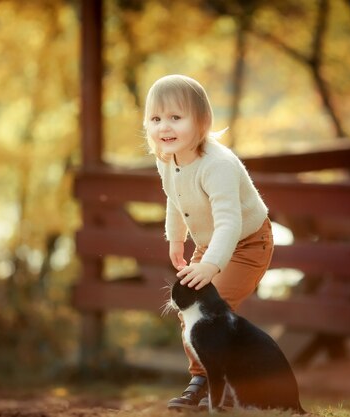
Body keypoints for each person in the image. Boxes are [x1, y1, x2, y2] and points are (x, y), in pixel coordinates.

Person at [143, 74, 275, 411]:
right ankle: (204, 379)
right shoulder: (167, 158)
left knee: (215, 309)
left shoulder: (217, 165)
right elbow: (175, 198)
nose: (164, 127)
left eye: (176, 117)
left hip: (247, 243)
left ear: (201, 121)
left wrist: (211, 264)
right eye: (156, 119)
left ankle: (218, 385)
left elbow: (230, 222)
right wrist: (176, 239)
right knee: (188, 308)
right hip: (210, 243)